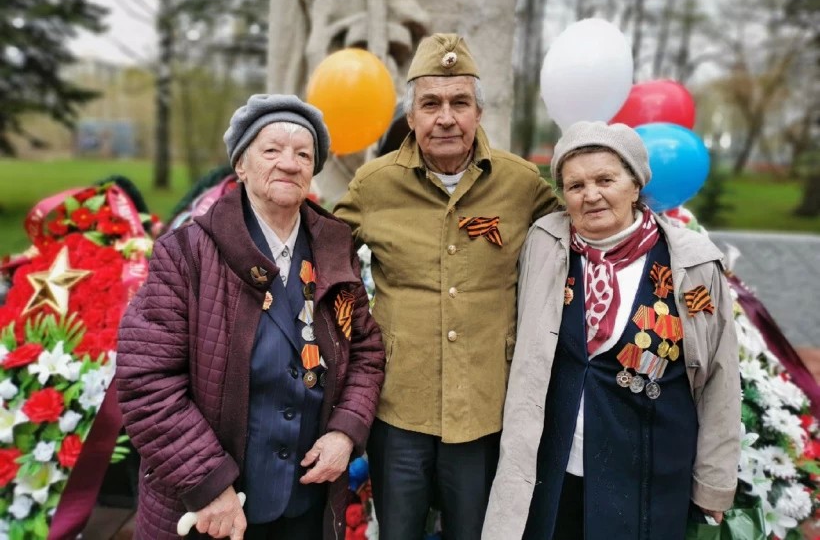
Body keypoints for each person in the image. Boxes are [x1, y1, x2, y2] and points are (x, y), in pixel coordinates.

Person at [116, 94, 385, 540]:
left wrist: (344, 433)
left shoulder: (335, 247)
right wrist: (209, 484)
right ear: (240, 167)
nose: (289, 163)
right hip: (215, 509)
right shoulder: (185, 253)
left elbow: (367, 353)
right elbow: (147, 379)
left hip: (307, 503)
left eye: (303, 154)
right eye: (271, 150)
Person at [334, 33, 560, 540]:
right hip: (399, 402)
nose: (445, 117)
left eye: (460, 102)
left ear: (478, 113)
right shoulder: (374, 185)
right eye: (430, 103)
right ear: (411, 117)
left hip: (483, 403)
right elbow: (324, 257)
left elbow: (580, 240)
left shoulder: (521, 184)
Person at [482, 121, 740, 540]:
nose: (591, 195)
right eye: (576, 185)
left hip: (649, 476)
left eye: (606, 179)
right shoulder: (545, 245)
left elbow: (720, 378)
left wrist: (713, 481)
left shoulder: (692, 265)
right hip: (557, 471)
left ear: (635, 185)